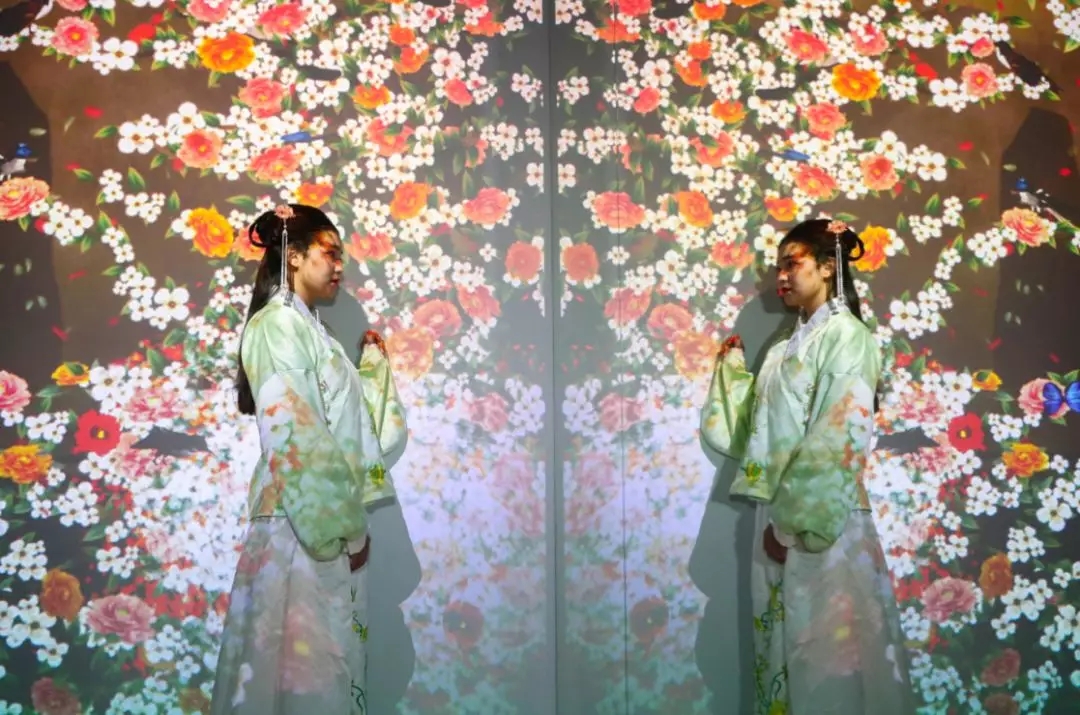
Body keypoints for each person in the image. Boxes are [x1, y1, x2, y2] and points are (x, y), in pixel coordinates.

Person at [700, 218, 914, 715]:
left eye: (791, 263)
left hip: (822, 516)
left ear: (827, 266)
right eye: (778, 266)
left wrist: (794, 524)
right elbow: (760, 429)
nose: (781, 276)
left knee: (827, 654)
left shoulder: (847, 335)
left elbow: (841, 430)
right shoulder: (784, 346)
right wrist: (733, 377)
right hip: (780, 511)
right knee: (782, 646)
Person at [211, 204, 407, 715]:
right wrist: (344, 528)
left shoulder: (312, 330)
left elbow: (354, 432)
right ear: (294, 256)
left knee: (318, 674)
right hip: (301, 526)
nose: (339, 266)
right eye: (330, 253)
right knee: (300, 678)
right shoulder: (278, 324)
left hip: (316, 522)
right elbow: (294, 431)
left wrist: (372, 372)